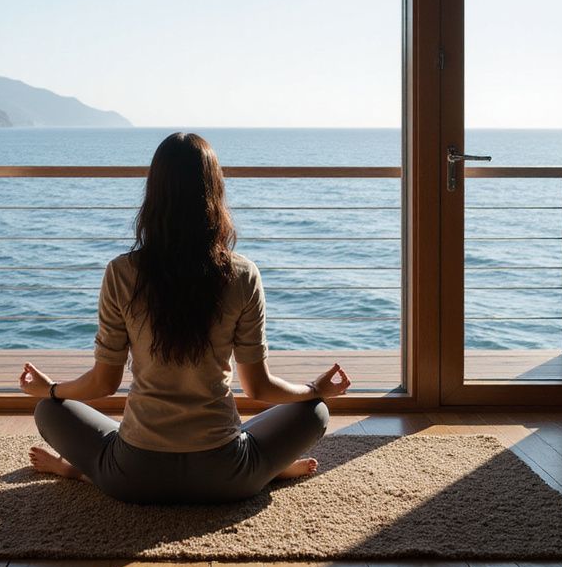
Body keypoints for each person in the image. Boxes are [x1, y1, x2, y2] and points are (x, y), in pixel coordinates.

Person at [21, 131, 351, 504]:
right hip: (229, 476)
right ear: (215, 194)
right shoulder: (242, 275)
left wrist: (49, 390)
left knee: (49, 411)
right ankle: (267, 469)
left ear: (154, 194)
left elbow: (103, 383)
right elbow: (259, 389)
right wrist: (314, 390)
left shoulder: (122, 273)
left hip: (133, 477)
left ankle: (78, 471)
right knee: (315, 412)